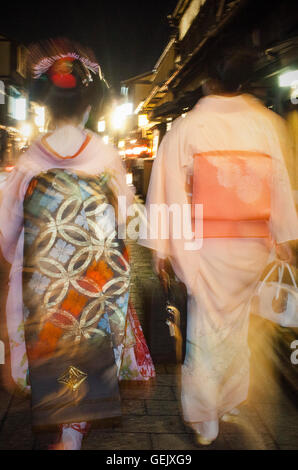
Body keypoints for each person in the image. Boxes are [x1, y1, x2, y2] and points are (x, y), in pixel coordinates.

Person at [0, 39, 155, 450]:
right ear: (89, 106)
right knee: (87, 353)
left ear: (46, 108)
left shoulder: (31, 159)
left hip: (44, 283)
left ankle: (66, 429)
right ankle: (73, 432)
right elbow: (126, 220)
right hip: (93, 281)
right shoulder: (105, 155)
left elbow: (6, 231)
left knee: (54, 357)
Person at [142, 49, 298, 445]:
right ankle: (229, 399)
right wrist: (284, 237)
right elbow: (279, 184)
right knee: (237, 325)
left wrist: (163, 245)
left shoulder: (189, 126)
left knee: (208, 328)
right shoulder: (266, 123)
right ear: (243, 82)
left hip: (206, 245)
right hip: (251, 242)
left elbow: (169, 191)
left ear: (209, 80)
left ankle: (205, 412)